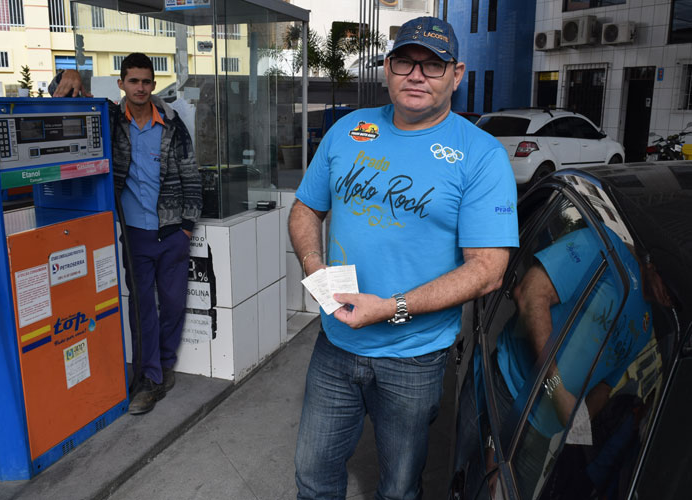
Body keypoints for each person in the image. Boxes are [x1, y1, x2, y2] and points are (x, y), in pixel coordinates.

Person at [288, 16, 519, 499]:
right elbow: (306, 208)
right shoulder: (350, 130)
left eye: (432, 66)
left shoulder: (480, 155)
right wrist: (316, 270)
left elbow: (487, 271)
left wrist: (390, 307)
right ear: (388, 69)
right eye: (405, 62)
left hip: (414, 357)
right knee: (312, 474)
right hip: (336, 343)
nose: (416, 75)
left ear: (456, 76)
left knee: (398, 488)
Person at [452, 224, 672, 499]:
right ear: (657, 258)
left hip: (543, 433)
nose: (671, 295)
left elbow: (604, 386)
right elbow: (530, 294)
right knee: (469, 482)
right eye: (671, 280)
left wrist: (576, 425)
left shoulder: (645, 325)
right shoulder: (600, 246)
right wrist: (556, 390)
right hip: (508, 392)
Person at [51, 53, 202, 415]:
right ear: (121, 84)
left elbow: (191, 174)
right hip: (134, 232)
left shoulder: (171, 123)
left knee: (174, 306)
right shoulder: (110, 120)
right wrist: (67, 73)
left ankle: (164, 366)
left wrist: (186, 226)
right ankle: (148, 378)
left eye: (146, 81)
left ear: (153, 84)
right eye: (133, 81)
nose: (140, 87)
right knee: (141, 307)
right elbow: (67, 101)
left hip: (172, 233)